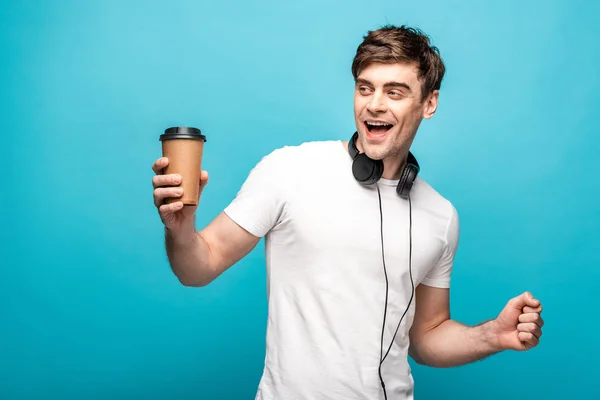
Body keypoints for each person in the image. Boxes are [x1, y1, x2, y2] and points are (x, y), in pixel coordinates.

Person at [151, 25, 544, 400]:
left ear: (429, 103)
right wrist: (181, 231)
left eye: (395, 92)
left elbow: (425, 338)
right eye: (365, 88)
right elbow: (197, 268)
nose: (374, 104)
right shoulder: (290, 169)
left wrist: (492, 335)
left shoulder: (441, 216)